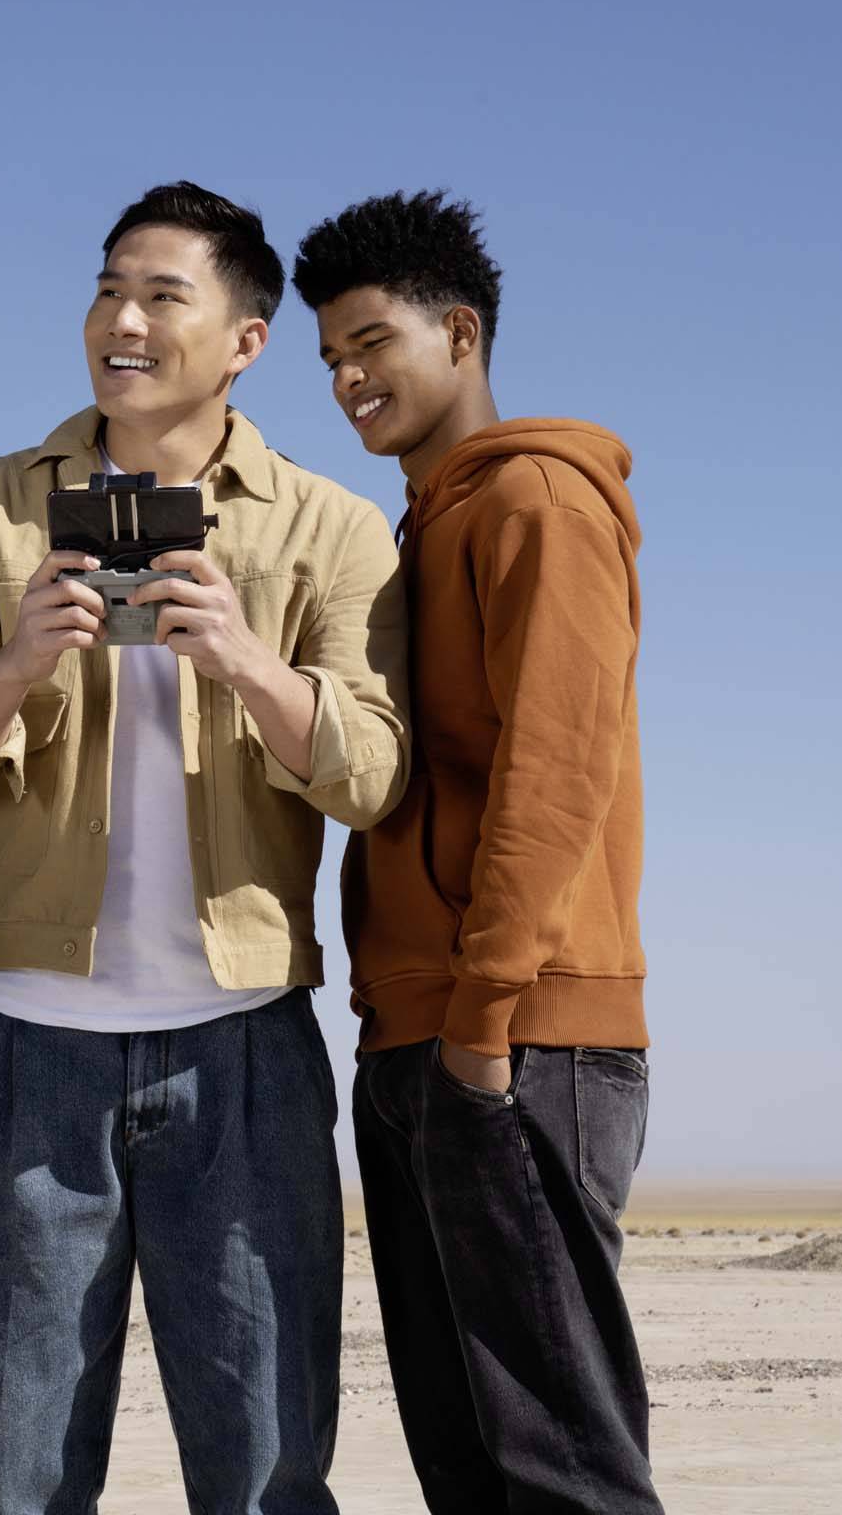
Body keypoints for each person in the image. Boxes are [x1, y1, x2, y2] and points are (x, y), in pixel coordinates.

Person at [0, 180, 408, 1514]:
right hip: (24, 1053)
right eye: (108, 289)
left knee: (268, 1474)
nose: (121, 320)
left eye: (162, 296)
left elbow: (370, 770)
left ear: (246, 338)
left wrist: (241, 654)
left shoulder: (332, 528)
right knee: (19, 1478)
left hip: (247, 1055)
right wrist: (19, 657)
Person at [293, 189, 661, 1514]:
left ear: (459, 335)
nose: (346, 378)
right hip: (417, 1040)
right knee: (468, 1464)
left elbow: (555, 775)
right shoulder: (421, 527)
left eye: (371, 343)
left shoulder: (538, 505)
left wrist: (486, 1025)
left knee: (559, 1472)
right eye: (328, 356)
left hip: (516, 1039)